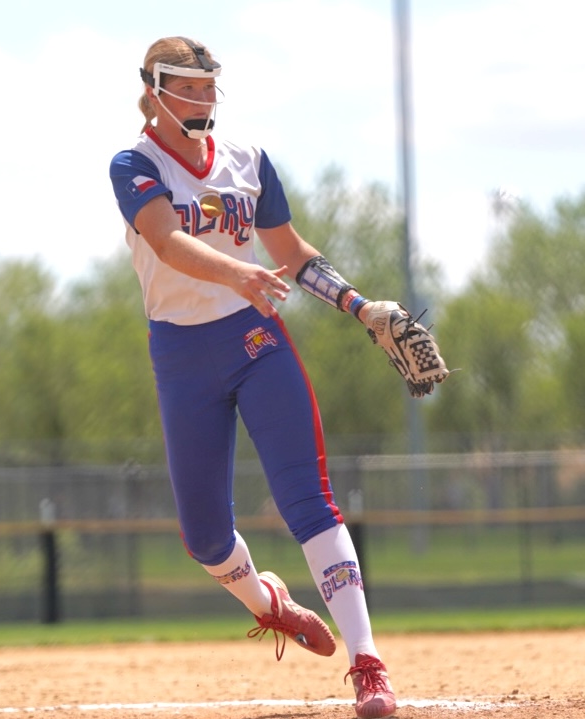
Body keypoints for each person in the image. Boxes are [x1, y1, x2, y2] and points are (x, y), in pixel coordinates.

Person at [109, 37, 447, 719]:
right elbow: (168, 242)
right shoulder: (133, 164)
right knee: (204, 537)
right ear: (155, 88)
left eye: (209, 86)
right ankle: (272, 604)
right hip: (180, 355)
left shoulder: (249, 161)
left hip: (254, 337)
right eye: (188, 86)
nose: (203, 98)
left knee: (308, 499)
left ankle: (368, 663)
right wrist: (241, 271)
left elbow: (291, 254)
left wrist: (361, 305)